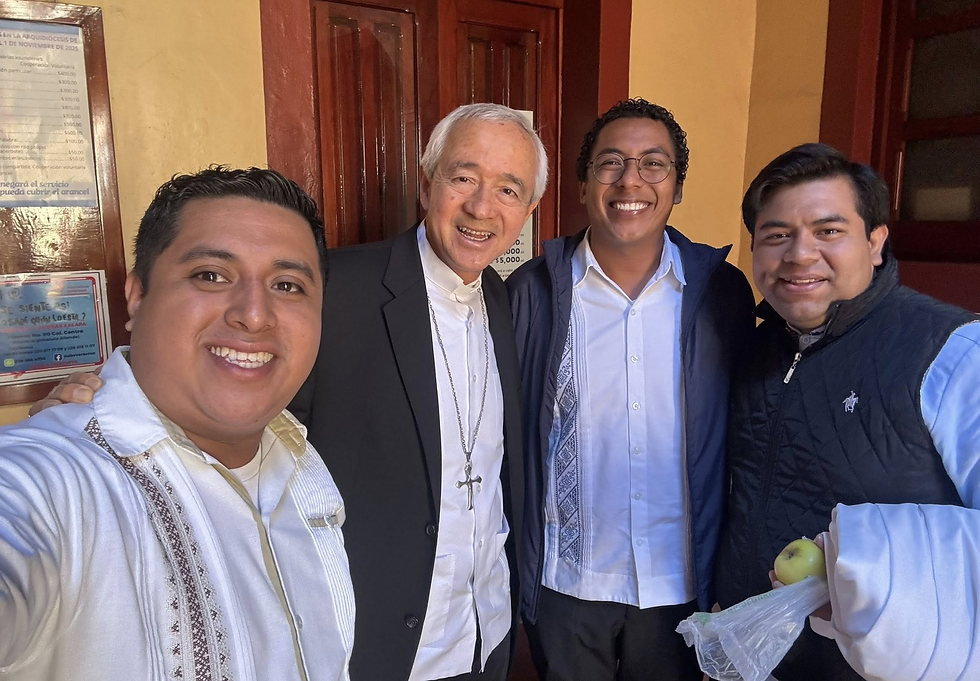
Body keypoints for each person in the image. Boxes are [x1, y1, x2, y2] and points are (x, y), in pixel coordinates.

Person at [0, 167, 355, 680]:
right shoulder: (53, 480)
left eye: (287, 285)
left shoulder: (298, 461)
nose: (255, 315)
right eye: (211, 275)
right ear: (137, 295)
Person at [287, 103, 545, 681]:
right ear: (427, 185)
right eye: (464, 178)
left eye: (508, 190)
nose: (482, 207)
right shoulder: (336, 288)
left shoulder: (500, 298)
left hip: (486, 629)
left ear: (528, 211)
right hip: (381, 643)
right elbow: (244, 413)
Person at [506, 98, 755, 680]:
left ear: (677, 186)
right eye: (611, 162)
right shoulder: (532, 292)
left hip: (681, 583)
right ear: (583, 183)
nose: (630, 181)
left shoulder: (720, 292)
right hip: (566, 582)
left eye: (653, 164)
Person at [714, 143, 980, 681]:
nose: (800, 254)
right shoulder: (754, 348)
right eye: (776, 235)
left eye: (828, 230)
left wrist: (870, 587)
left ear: (875, 242)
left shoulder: (953, 354)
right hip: (757, 652)